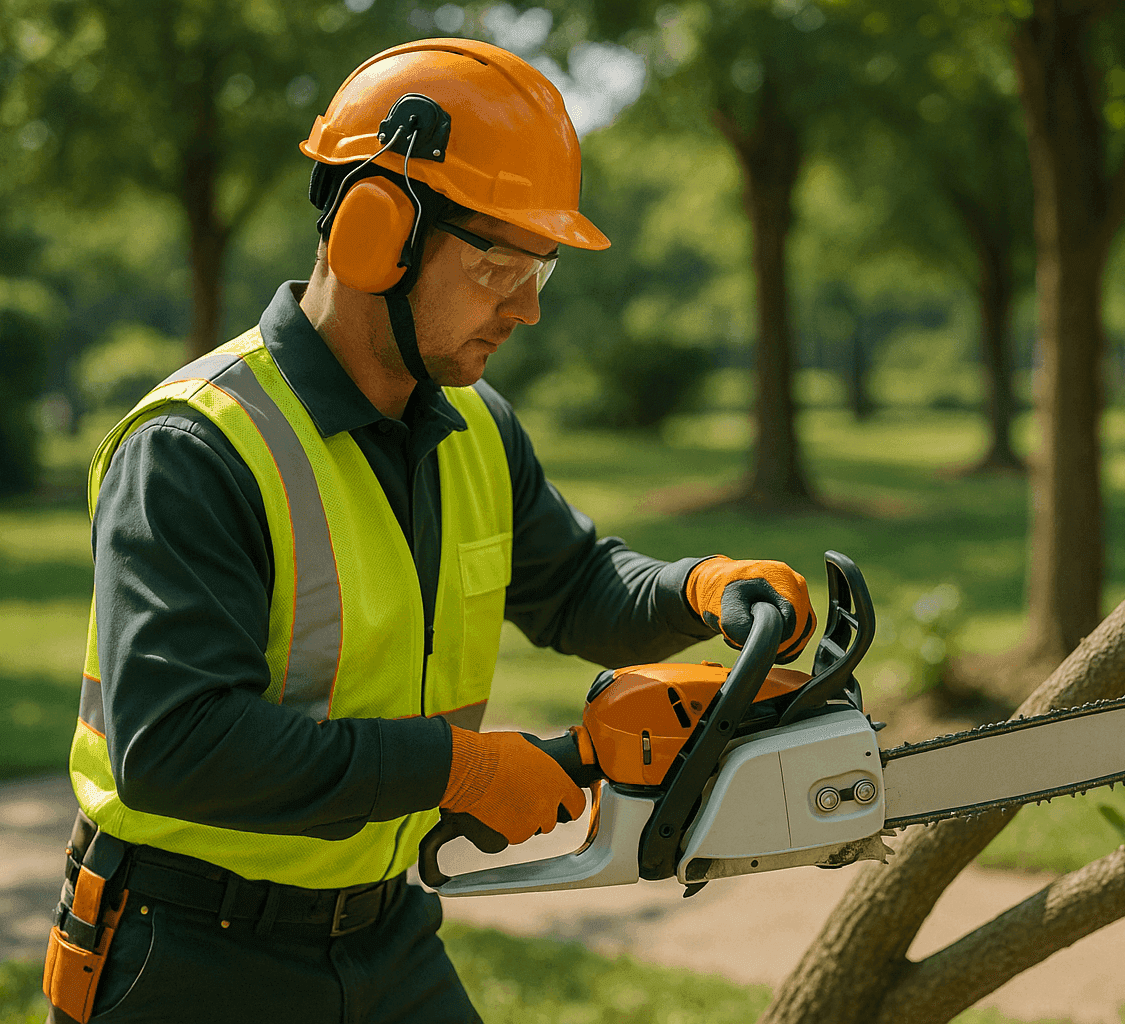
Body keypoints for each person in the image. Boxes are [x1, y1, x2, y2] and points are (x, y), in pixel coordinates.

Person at [40, 37, 816, 1024]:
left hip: (382, 931)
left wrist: (703, 587)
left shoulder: (473, 426)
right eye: (501, 264)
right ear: (378, 231)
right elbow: (179, 742)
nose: (527, 310)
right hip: (187, 946)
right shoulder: (198, 448)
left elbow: (576, 586)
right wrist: (463, 768)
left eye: (543, 271)